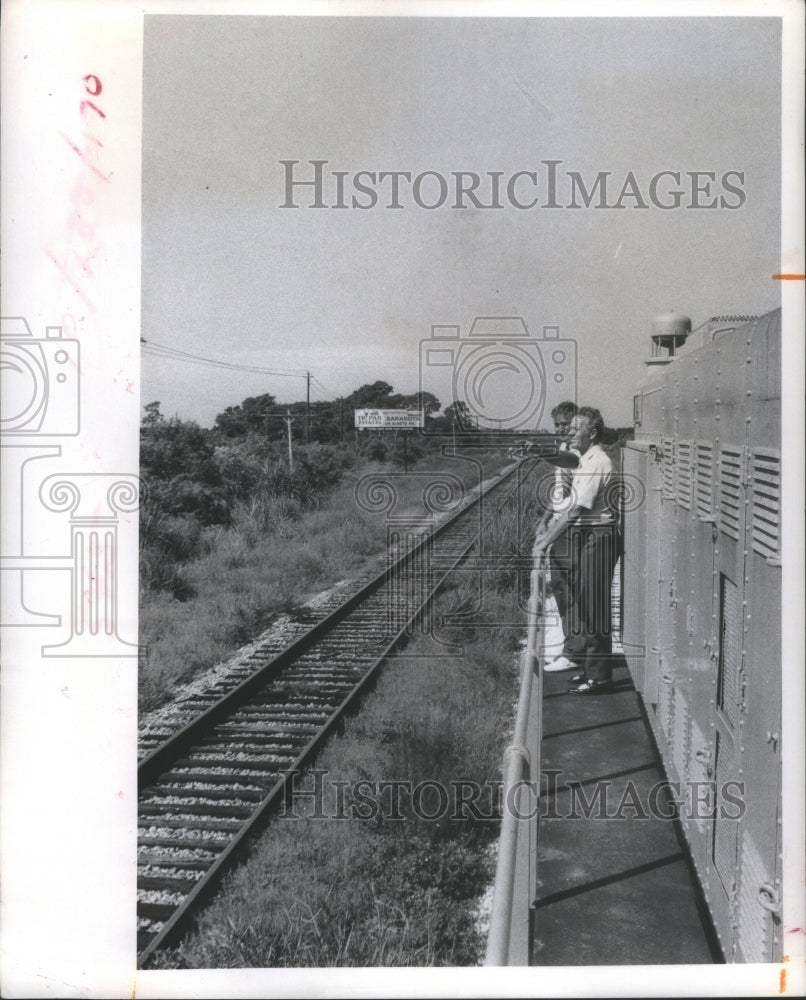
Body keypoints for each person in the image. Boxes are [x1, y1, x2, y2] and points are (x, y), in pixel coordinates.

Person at [532, 407, 620, 694]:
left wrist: (545, 541)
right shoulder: (586, 459)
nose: (569, 433)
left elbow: (574, 510)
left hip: (599, 534)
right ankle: (591, 671)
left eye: (574, 429)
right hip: (588, 534)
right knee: (587, 603)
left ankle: (600, 677)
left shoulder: (597, 462)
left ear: (591, 433)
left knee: (595, 608)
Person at [532, 401, 578, 650]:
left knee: (570, 591)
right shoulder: (563, 447)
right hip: (560, 525)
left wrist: (548, 536)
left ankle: (574, 651)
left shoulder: (577, 451)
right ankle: (570, 645)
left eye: (565, 424)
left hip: (572, 527)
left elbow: (574, 500)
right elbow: (560, 492)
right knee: (561, 588)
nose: (560, 429)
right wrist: (543, 520)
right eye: (557, 424)